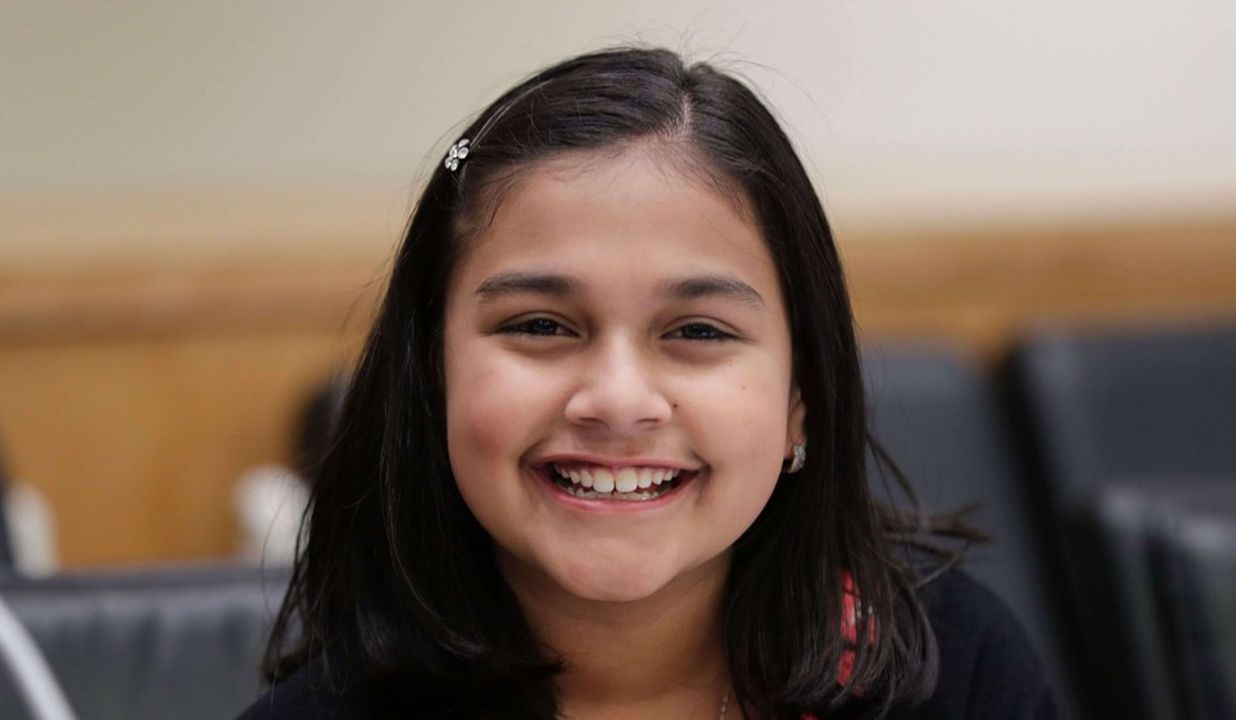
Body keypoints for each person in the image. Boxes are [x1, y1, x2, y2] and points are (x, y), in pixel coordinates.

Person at [240, 46, 1058, 719]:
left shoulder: (952, 670)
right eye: (540, 326)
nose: (619, 400)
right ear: (432, 377)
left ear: (800, 401)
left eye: (697, 332)